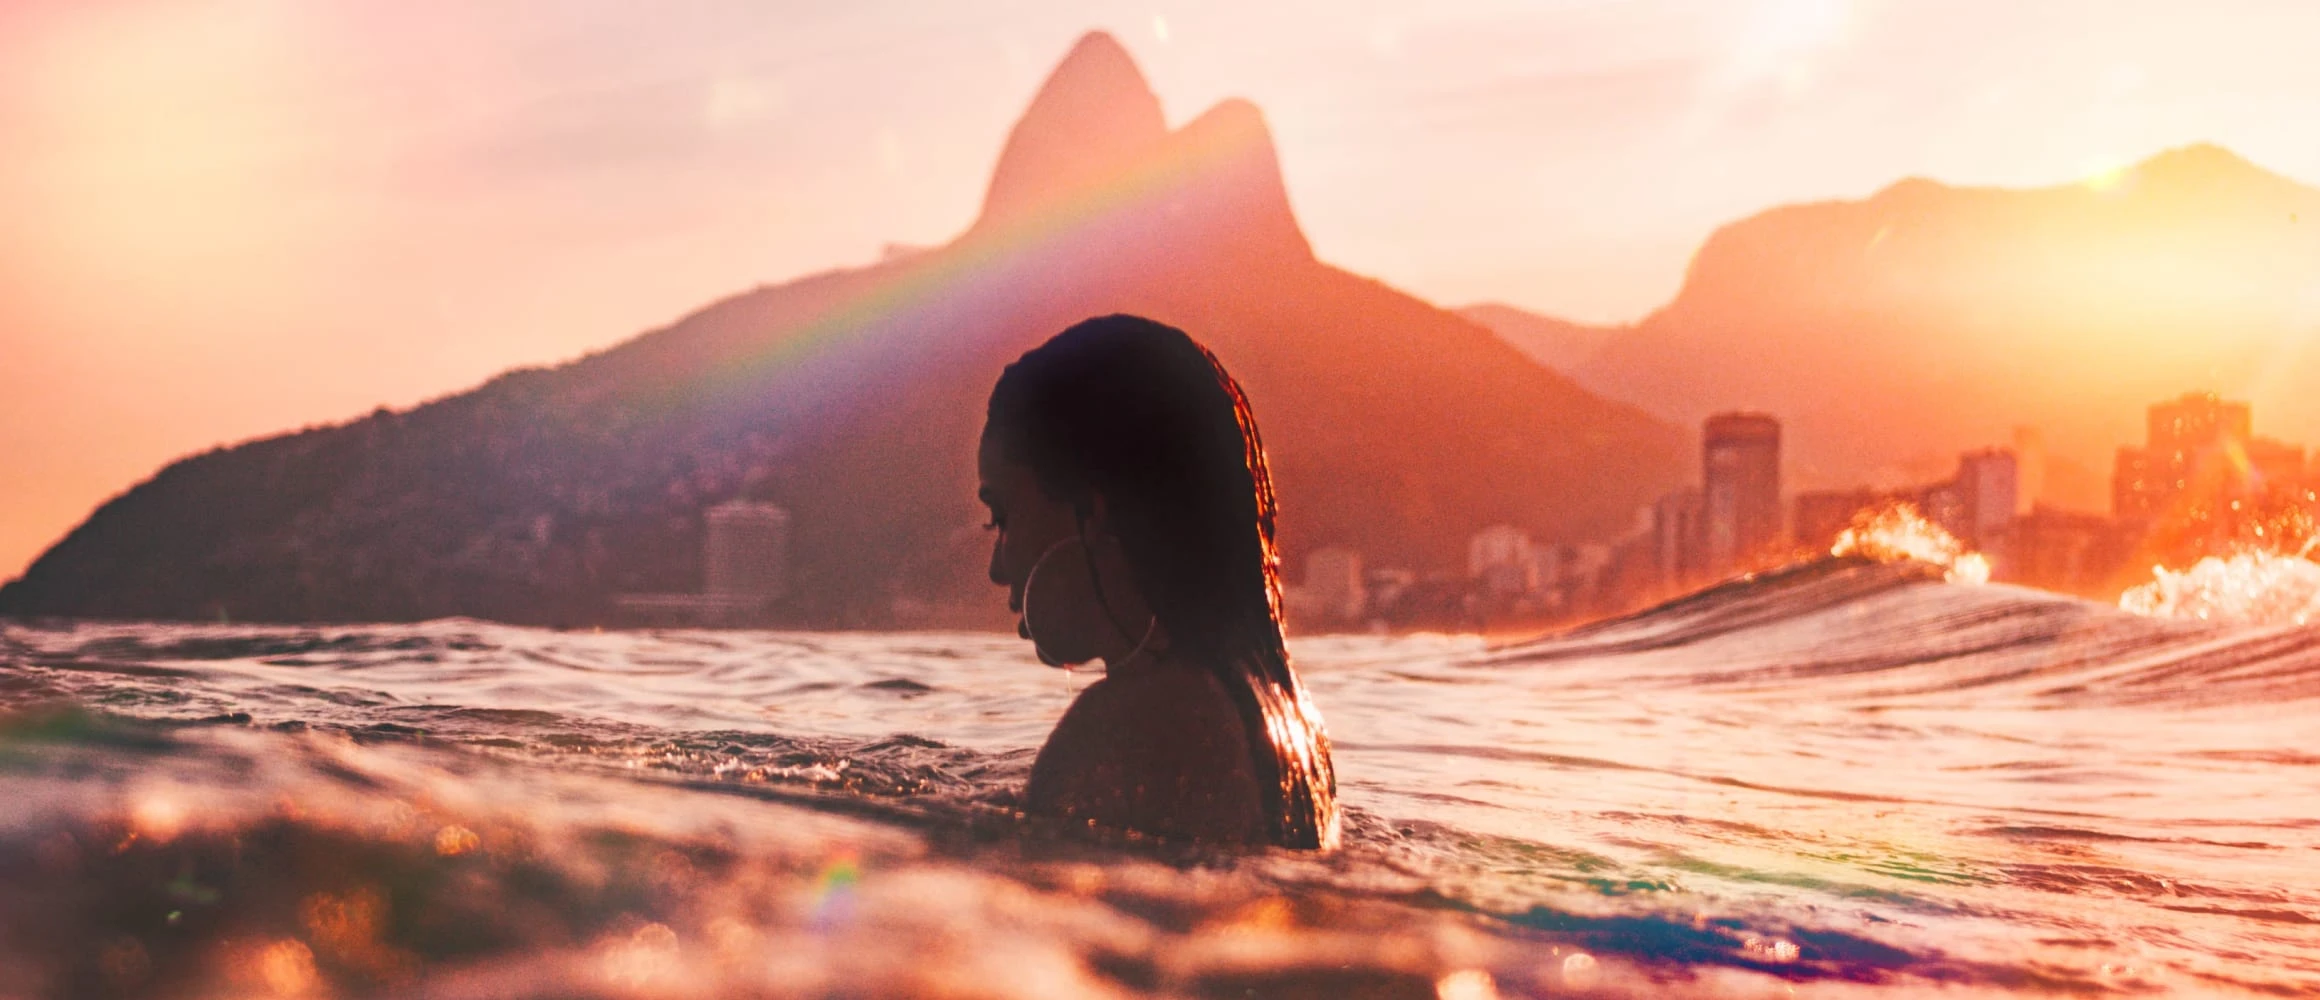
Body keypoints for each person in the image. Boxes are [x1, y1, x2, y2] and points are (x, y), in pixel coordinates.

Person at [977, 315, 1341, 849]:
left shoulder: (1125, 730)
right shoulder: (1289, 725)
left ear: (1091, 512)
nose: (996, 567)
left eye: (1002, 516)